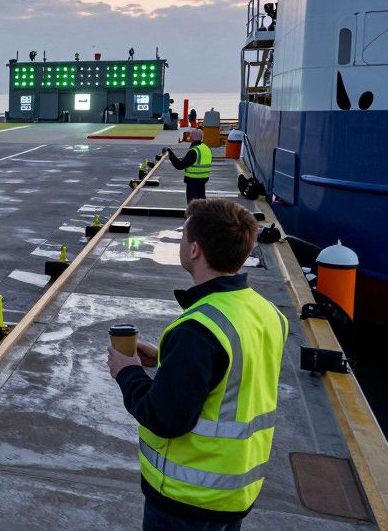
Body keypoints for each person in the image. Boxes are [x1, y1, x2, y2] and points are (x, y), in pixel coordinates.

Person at [107, 199, 287, 531]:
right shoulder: (266, 312)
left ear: (194, 250)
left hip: (188, 497)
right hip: (234, 492)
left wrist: (127, 371)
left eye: (182, 236)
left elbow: (163, 417)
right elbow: (231, 374)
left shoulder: (197, 330)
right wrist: (165, 358)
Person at [164, 128, 212, 203]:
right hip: (204, 178)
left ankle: (193, 214)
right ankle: (202, 213)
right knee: (201, 200)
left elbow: (180, 166)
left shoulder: (194, 151)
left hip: (193, 178)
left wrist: (170, 153)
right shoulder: (206, 148)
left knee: (192, 202)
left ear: (192, 137)